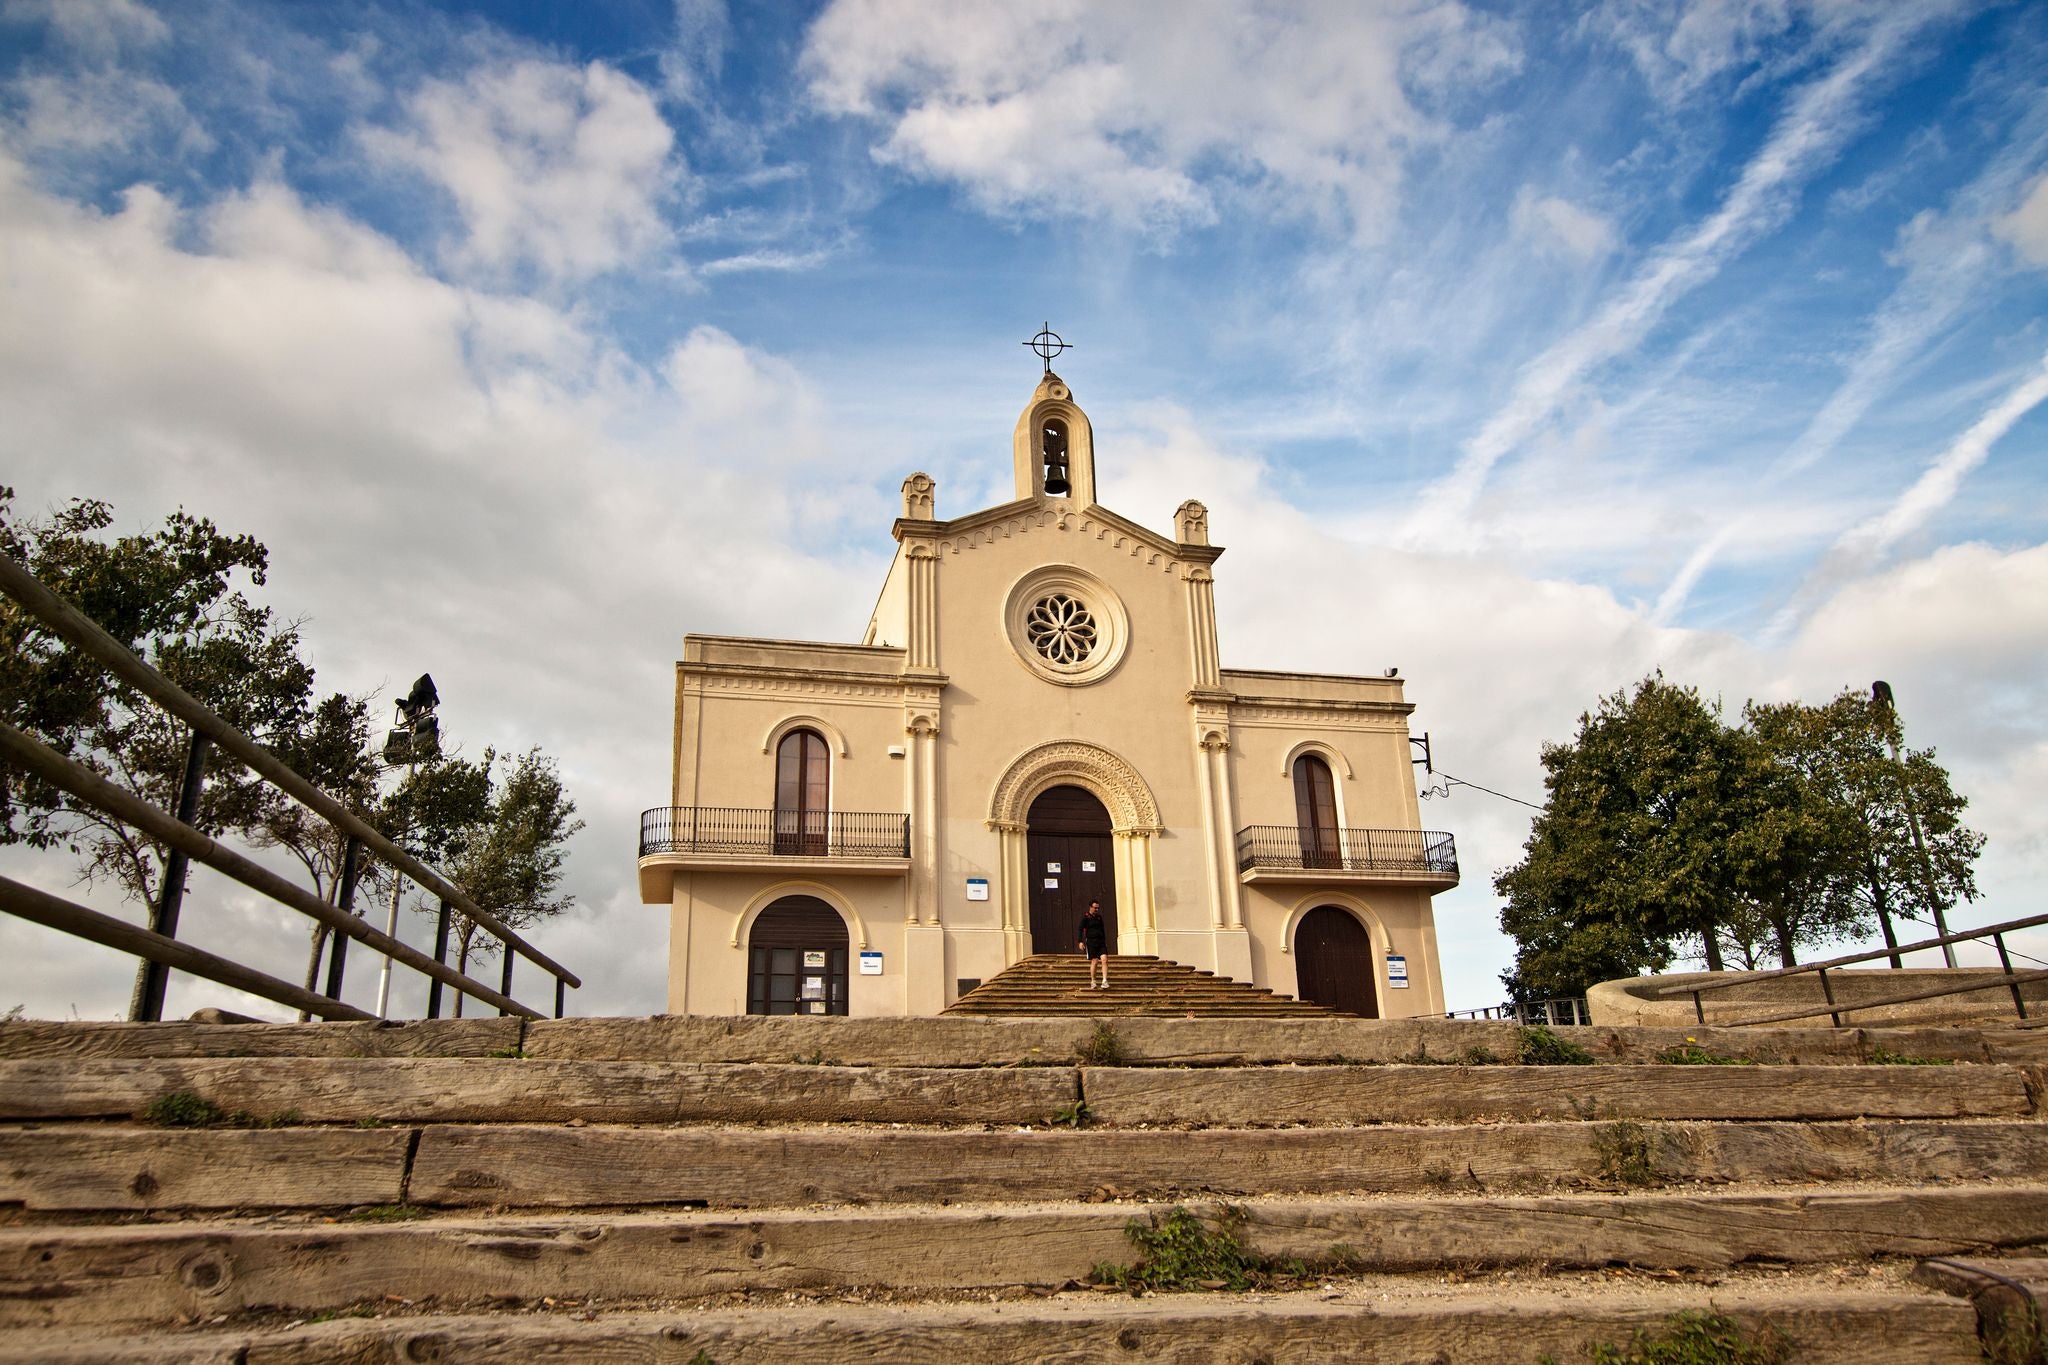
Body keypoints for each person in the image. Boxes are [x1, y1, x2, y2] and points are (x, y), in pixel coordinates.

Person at [1077, 900, 1110, 989]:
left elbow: (1102, 930)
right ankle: (1093, 981)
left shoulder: (1099, 917)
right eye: (1095, 908)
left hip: (1101, 942)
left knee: (1104, 959)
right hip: (1091, 942)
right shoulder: (1086, 917)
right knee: (1094, 962)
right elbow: (1080, 929)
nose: (1097, 909)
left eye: (1098, 908)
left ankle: (1104, 981)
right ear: (1090, 907)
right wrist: (1080, 941)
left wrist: (1104, 941)